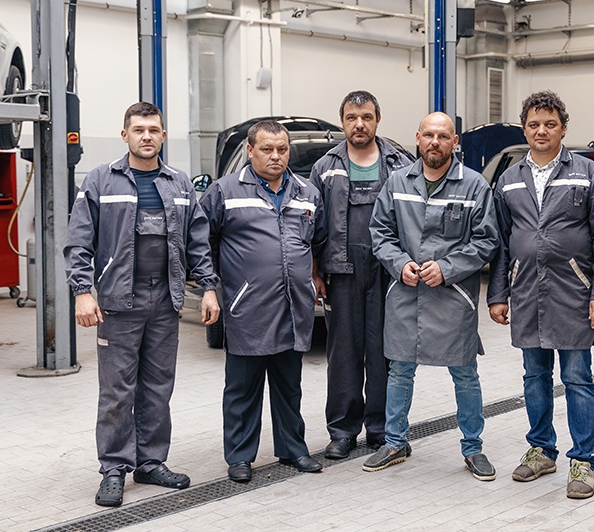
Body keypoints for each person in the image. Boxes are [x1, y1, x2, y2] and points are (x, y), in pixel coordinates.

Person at [64, 101, 221, 507]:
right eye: (139, 129)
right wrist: (82, 290)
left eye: (153, 130)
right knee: (117, 391)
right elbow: (78, 240)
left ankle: (150, 462)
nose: (146, 136)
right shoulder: (101, 180)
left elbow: (198, 241)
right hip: (119, 301)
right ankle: (114, 468)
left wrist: (208, 287)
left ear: (163, 135)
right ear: (125, 135)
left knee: (157, 386)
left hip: (165, 300)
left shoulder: (180, 184)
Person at [487, 90, 594, 498]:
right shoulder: (509, 179)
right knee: (534, 375)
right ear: (524, 129)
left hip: (574, 291)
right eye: (533, 124)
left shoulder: (586, 173)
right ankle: (542, 449)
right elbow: (501, 242)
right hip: (526, 290)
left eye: (550, 124)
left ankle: (583, 460)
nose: (541, 131)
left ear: (563, 128)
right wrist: (498, 293)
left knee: (577, 377)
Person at [364, 112, 500, 481]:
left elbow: (486, 240)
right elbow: (380, 232)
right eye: (428, 135)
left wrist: (447, 268)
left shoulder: (474, 186)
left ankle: (473, 448)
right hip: (406, 292)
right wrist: (399, 264)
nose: (434, 142)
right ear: (418, 138)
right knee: (399, 370)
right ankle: (395, 442)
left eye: (442, 136)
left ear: (455, 142)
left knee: (465, 373)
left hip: (452, 296)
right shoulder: (397, 182)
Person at [199, 120, 326, 484]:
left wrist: (314, 276)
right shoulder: (225, 191)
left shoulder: (307, 193)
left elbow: (317, 241)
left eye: (282, 150)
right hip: (247, 309)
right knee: (242, 389)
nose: (275, 156)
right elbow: (201, 240)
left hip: (293, 307)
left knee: (289, 386)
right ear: (250, 150)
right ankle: (240, 456)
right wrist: (210, 287)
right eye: (267, 149)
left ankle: (293, 448)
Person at [310, 91, 412, 460]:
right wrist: (315, 271)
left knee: (385, 351)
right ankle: (342, 431)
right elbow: (313, 224)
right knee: (343, 354)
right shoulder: (326, 167)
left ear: (377, 120)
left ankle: (383, 429)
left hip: (388, 270)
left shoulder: (400, 164)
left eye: (366, 117)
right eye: (352, 118)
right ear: (342, 122)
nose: (359, 124)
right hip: (342, 270)